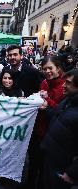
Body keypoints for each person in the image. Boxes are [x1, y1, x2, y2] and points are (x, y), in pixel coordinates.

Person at [28, 56, 65, 189]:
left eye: (51, 68)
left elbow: (60, 110)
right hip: (38, 129)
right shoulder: (44, 83)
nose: (48, 71)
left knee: (45, 168)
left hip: (51, 133)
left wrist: (47, 100)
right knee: (33, 163)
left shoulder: (64, 86)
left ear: (58, 69)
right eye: (45, 69)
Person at [40, 69, 78, 189]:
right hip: (51, 159)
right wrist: (46, 108)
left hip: (64, 168)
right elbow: (58, 117)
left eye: (68, 83)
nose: (63, 85)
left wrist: (72, 172)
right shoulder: (68, 101)